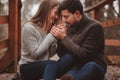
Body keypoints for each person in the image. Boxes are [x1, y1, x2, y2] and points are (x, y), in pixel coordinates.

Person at [44, 0, 107, 80]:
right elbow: (62, 54)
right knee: (68, 74)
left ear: (77, 14)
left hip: (94, 64)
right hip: (76, 66)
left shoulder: (95, 27)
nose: (64, 20)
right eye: (63, 17)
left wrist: (64, 37)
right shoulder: (70, 27)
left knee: (90, 66)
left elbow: (85, 55)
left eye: (66, 17)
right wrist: (58, 38)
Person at [18, 0, 60, 80]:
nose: (57, 17)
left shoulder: (48, 27)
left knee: (68, 58)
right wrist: (51, 36)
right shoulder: (28, 27)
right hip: (27, 67)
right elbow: (35, 54)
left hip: (42, 66)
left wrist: (55, 39)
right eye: (56, 12)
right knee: (52, 64)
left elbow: (49, 54)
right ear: (47, 10)